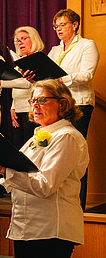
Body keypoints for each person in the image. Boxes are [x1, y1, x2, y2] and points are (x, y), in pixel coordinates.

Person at [0, 79, 88, 258]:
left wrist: (2, 170)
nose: (35, 106)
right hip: (26, 228)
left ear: (62, 104)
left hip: (51, 229)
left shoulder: (67, 137)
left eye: (42, 100)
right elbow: (20, 172)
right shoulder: (36, 137)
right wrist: (0, 180)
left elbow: (45, 186)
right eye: (32, 101)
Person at [47, 8, 99, 211]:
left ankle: (78, 204)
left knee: (75, 153)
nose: (58, 29)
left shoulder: (87, 45)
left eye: (62, 25)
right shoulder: (54, 50)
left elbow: (87, 74)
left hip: (79, 103)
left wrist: (62, 79)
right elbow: (47, 75)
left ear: (75, 24)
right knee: (57, 152)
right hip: (57, 105)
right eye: (56, 26)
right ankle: (59, 201)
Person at [0, 26, 43, 148]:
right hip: (19, 109)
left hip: (31, 109)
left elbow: (28, 83)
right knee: (20, 147)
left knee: (30, 147)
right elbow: (17, 85)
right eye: (18, 41)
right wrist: (13, 107)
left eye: (24, 39)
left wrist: (1, 82)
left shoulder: (37, 59)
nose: (20, 43)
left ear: (34, 39)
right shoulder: (21, 61)